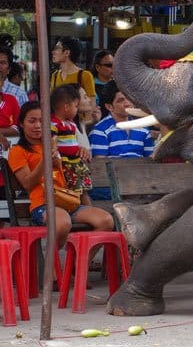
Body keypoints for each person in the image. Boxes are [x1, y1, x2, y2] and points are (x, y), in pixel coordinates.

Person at [8, 101, 114, 249]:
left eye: (42, 121)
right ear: (21, 123)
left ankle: (77, 265)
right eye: (32, 121)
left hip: (66, 201)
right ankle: (54, 268)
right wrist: (45, 161)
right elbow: (27, 183)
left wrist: (80, 151)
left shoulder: (54, 145)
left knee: (106, 220)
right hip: (42, 205)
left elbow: (66, 165)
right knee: (63, 223)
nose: (37, 126)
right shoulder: (17, 151)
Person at [50, 84, 93, 205]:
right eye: (76, 106)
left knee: (83, 190)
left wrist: (78, 148)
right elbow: (52, 140)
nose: (76, 109)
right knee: (72, 192)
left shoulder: (70, 123)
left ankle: (88, 210)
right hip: (66, 164)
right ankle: (80, 209)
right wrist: (55, 154)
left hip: (76, 163)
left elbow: (71, 142)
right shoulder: (55, 123)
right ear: (66, 107)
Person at [89, 80, 154, 159]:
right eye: (121, 100)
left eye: (129, 98)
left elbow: (151, 160)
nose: (127, 103)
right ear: (109, 107)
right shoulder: (100, 130)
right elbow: (99, 164)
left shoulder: (143, 128)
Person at [50, 37, 96, 106]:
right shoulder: (55, 75)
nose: (53, 52)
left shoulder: (85, 75)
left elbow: (91, 104)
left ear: (67, 53)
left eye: (57, 48)